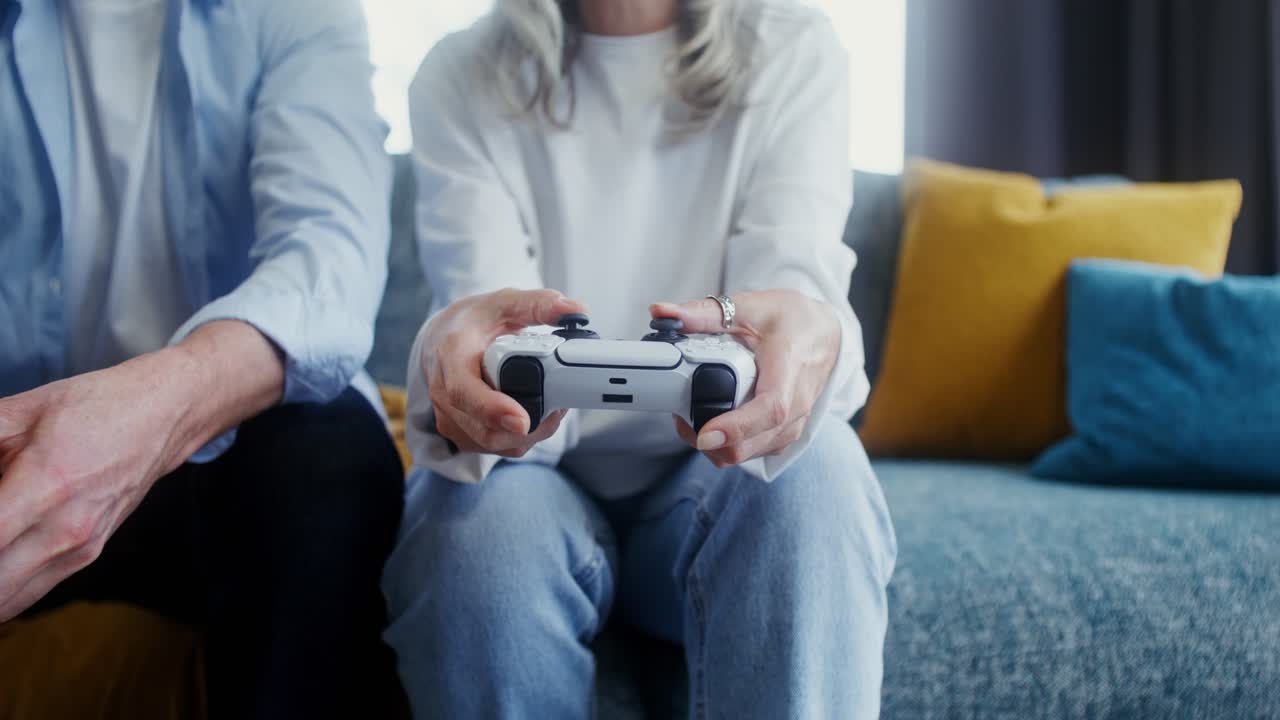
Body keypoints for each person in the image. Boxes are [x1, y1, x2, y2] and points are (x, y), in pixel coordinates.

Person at [381, 0, 898, 717]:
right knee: (474, 534)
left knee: (817, 476)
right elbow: (488, 330)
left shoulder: (794, 48)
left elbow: (794, 297)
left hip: (712, 476)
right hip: (534, 481)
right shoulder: (459, 75)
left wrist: (810, 342)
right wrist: (457, 359)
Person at [0, 0, 405, 716]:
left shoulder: (293, 15)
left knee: (328, 450)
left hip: (231, 467)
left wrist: (147, 415)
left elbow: (329, 261)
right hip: (22, 462)